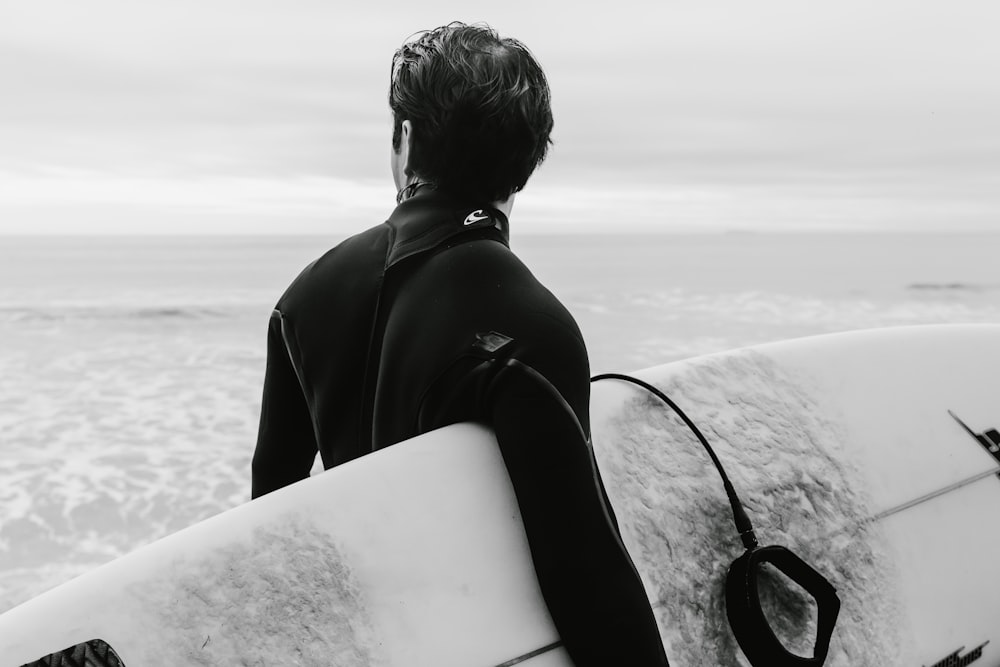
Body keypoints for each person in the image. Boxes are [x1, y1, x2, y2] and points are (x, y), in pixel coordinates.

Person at [251, 22, 670, 666]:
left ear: (405, 137)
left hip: (376, 641)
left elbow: (267, 531)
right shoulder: (531, 326)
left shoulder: (302, 298)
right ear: (529, 160)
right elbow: (585, 576)